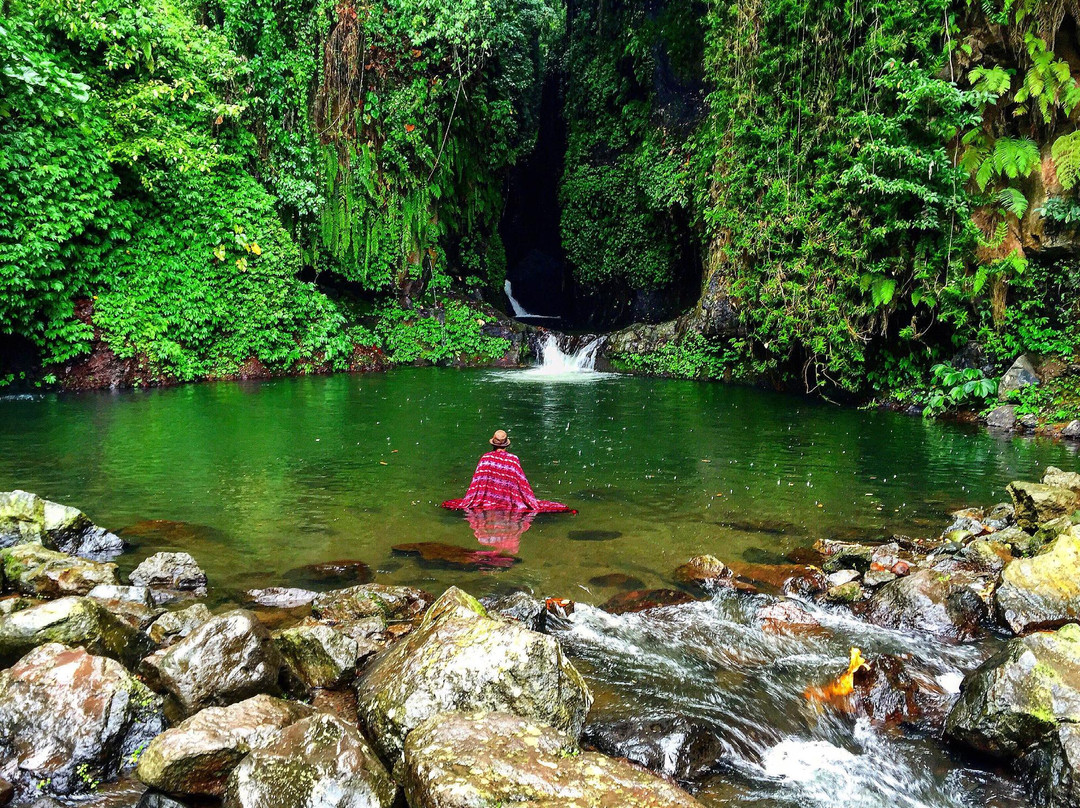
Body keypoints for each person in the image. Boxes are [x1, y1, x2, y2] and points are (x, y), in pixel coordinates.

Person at [441, 429, 574, 513]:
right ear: (506, 444)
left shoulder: (486, 458)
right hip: (510, 503)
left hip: (486, 503)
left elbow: (476, 484)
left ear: (493, 444)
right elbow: (522, 484)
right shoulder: (513, 460)